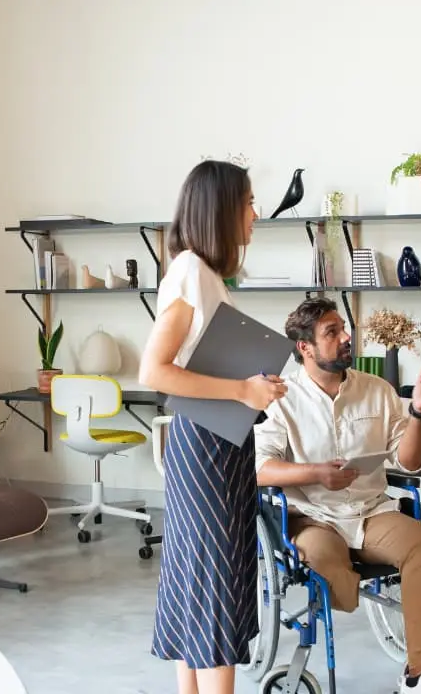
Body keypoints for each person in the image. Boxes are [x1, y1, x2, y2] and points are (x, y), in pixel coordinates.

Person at [254, 297, 421, 694]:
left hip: (370, 512)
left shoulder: (378, 391)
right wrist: (314, 473)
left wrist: (418, 414)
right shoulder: (281, 397)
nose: (347, 338)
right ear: (305, 347)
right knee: (323, 553)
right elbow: (260, 469)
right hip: (312, 514)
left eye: (344, 328)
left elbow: (410, 462)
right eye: (332, 332)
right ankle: (347, 593)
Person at [139, 160, 288, 694]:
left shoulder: (206, 276)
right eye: (248, 202)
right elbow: (153, 371)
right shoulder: (190, 273)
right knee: (214, 585)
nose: (256, 213)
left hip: (216, 441)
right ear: (221, 209)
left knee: (199, 581)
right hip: (204, 446)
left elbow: (200, 366)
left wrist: (254, 387)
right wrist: (242, 390)